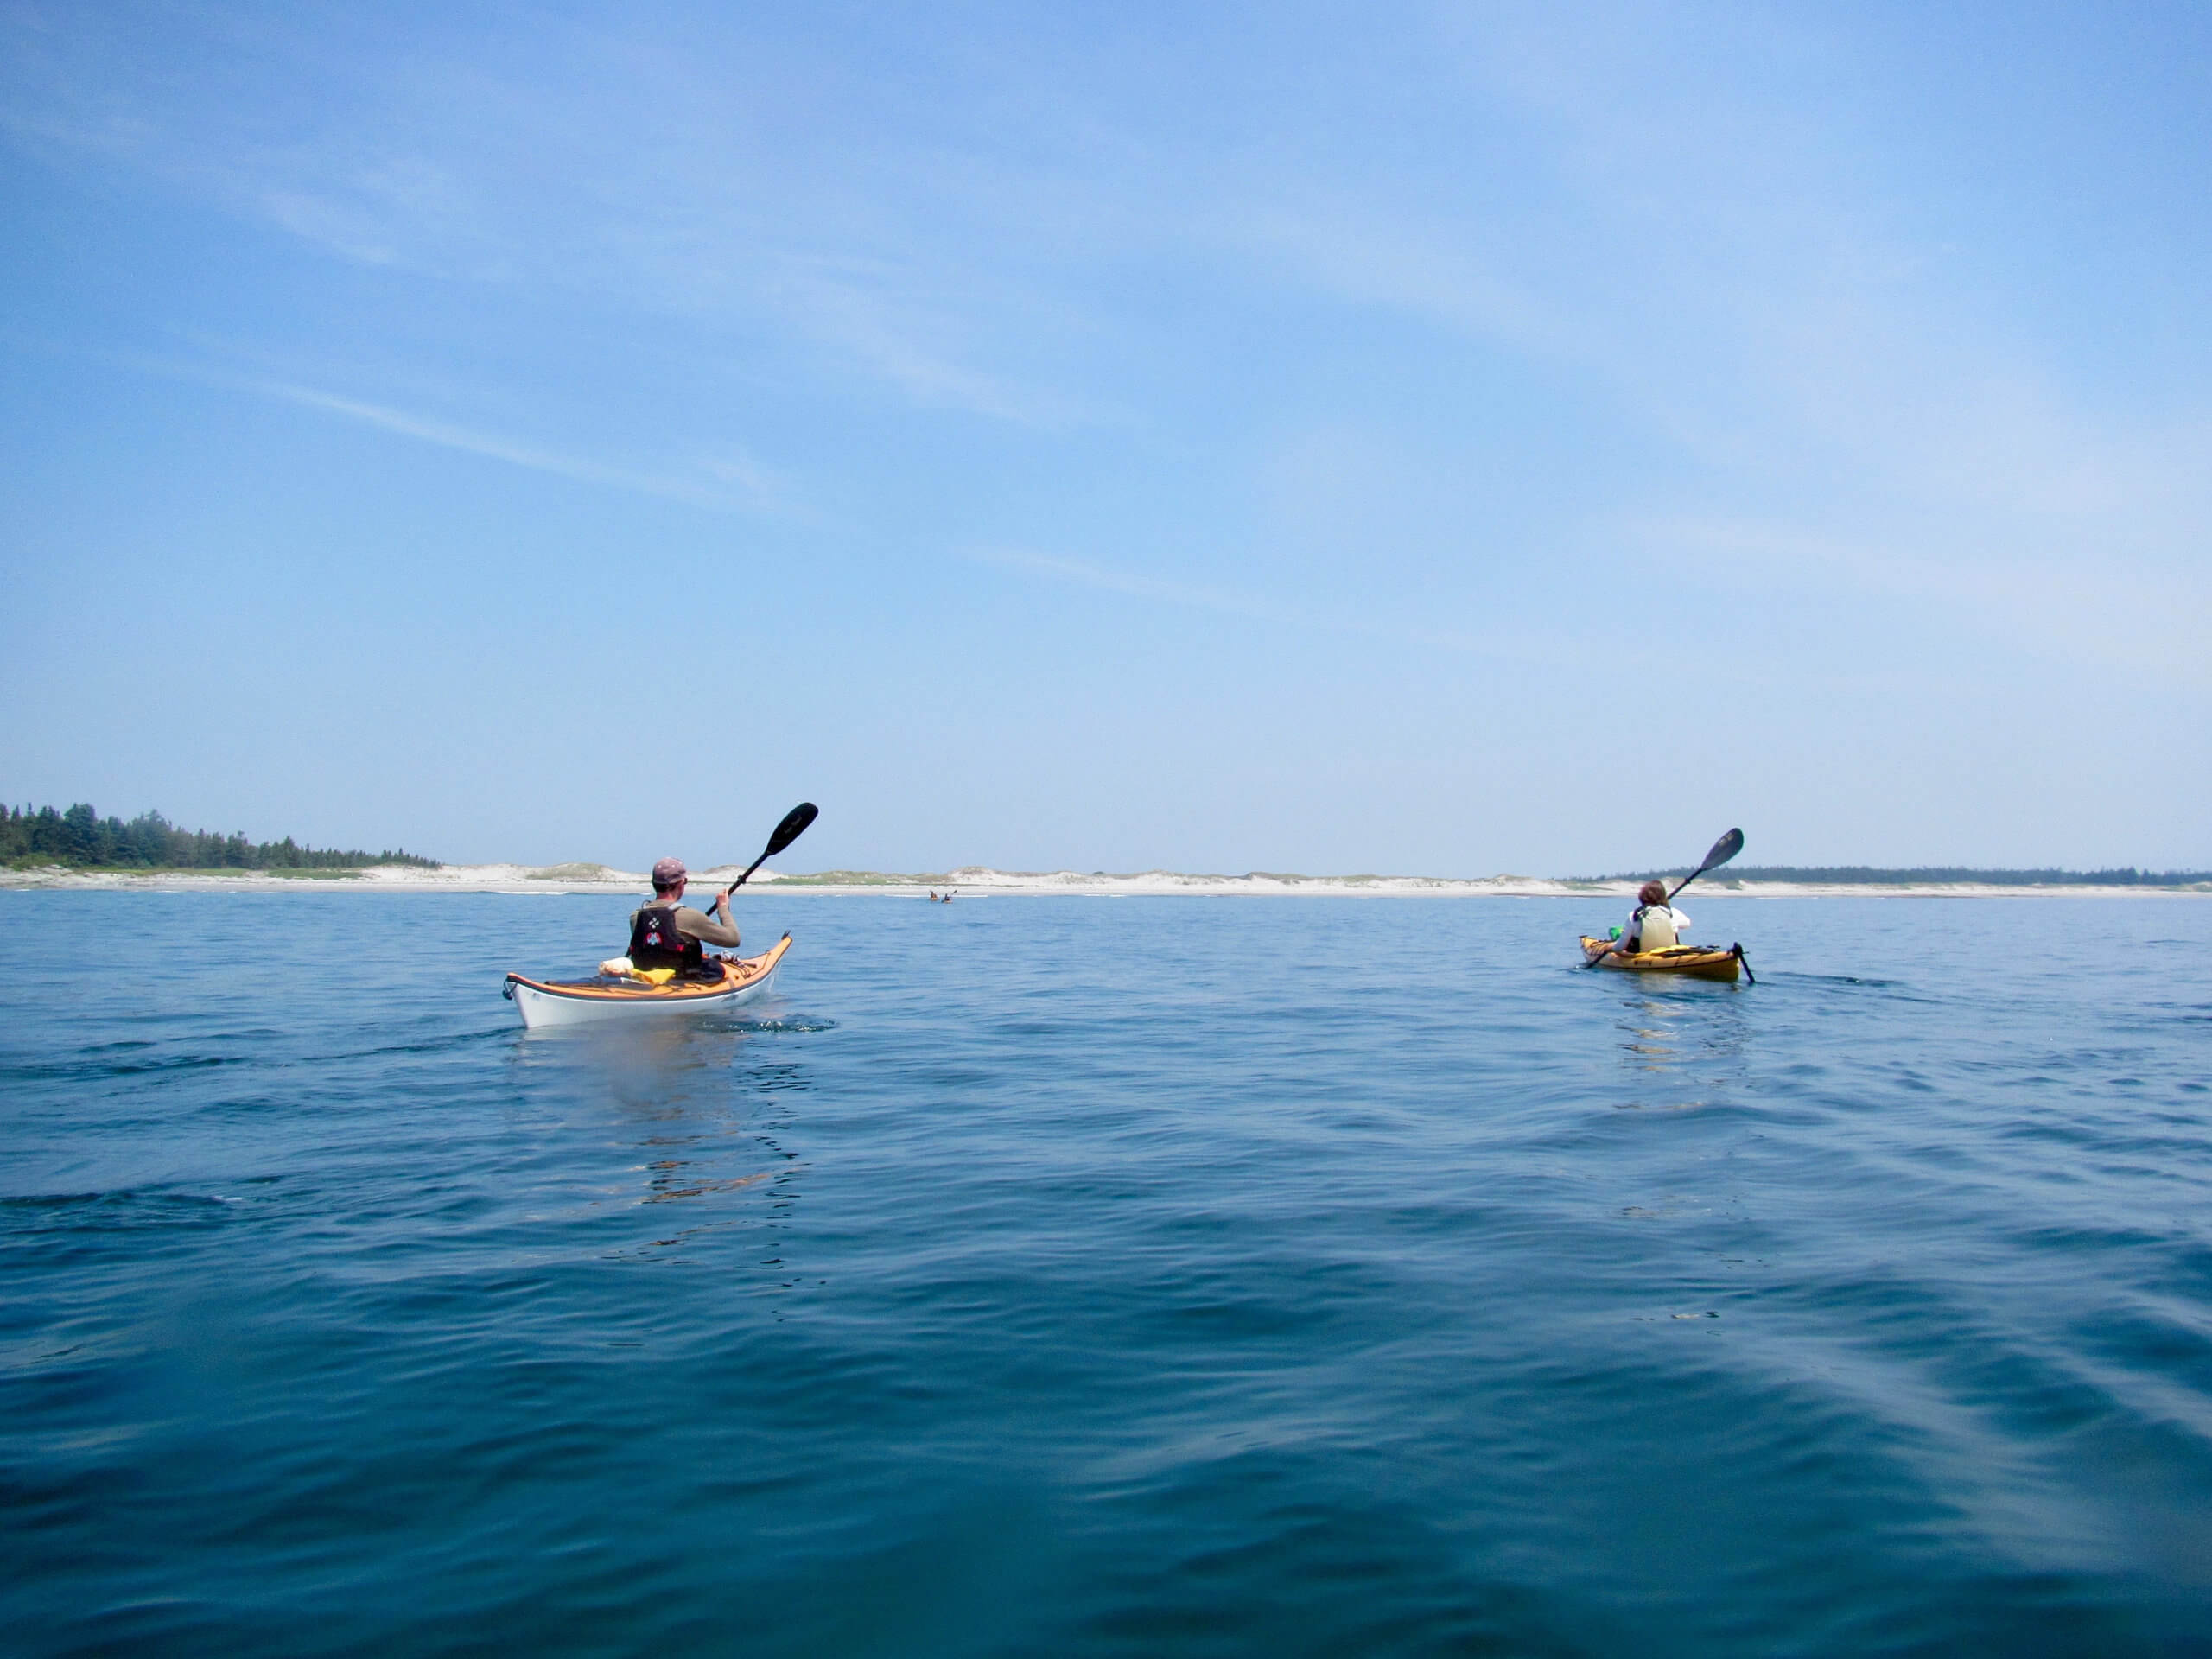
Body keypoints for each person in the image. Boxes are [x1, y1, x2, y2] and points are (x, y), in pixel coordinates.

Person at [627, 856, 741, 976]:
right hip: (683, 977)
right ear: (681, 883)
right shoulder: (691, 917)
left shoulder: (636, 917)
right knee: (715, 967)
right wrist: (723, 908)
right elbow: (733, 939)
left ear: (654, 884)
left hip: (646, 976)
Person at [1591, 880, 1691, 961]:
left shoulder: (1634, 916)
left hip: (1642, 956)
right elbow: (1687, 924)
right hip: (1670, 955)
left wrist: (1610, 948)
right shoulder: (1672, 912)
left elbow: (1619, 947)